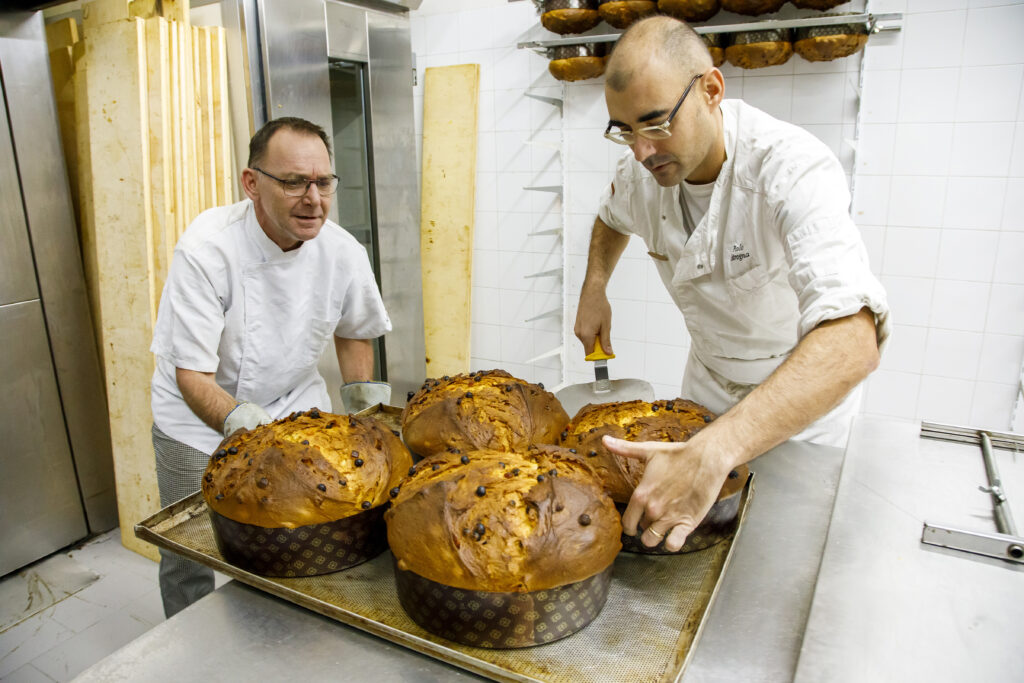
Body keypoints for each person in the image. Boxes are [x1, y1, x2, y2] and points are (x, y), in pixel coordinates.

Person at [573, 17, 889, 553]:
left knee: (785, 551)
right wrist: (595, 285)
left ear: (712, 90)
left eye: (654, 124)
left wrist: (716, 449)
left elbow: (853, 342)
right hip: (707, 391)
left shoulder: (791, 169)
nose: (641, 153)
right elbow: (610, 218)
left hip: (801, 414)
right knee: (693, 554)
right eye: (623, 130)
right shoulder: (641, 174)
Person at [149, 117, 392, 616]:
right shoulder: (206, 251)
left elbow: (353, 329)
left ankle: (282, 637)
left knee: (300, 540)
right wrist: (253, 436)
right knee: (187, 552)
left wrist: (364, 410)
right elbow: (191, 376)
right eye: (292, 182)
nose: (313, 199)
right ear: (251, 183)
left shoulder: (342, 251)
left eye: (323, 182)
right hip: (196, 423)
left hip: (296, 406)